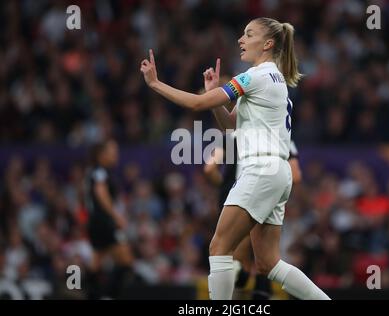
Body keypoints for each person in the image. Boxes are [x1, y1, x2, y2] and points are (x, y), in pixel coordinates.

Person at [140, 17, 329, 300]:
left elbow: (196, 104)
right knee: (268, 263)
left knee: (219, 248)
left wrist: (156, 84)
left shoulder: (255, 76)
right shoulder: (273, 80)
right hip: (276, 171)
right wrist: (213, 92)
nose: (241, 39)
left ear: (267, 43)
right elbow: (231, 127)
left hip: (260, 168)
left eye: (248, 34)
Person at [204, 137, 302, 299]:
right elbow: (295, 174)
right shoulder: (280, 135)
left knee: (233, 262)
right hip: (265, 197)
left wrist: (227, 187)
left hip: (235, 202)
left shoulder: (231, 134)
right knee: (265, 264)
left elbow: (209, 169)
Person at [85, 139, 134, 299]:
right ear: (102, 155)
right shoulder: (100, 172)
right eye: (112, 152)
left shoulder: (98, 171)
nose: (116, 155)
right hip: (104, 222)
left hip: (96, 222)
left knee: (96, 262)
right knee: (126, 262)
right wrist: (116, 215)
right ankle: (108, 295)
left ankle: (90, 294)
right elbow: (101, 193)